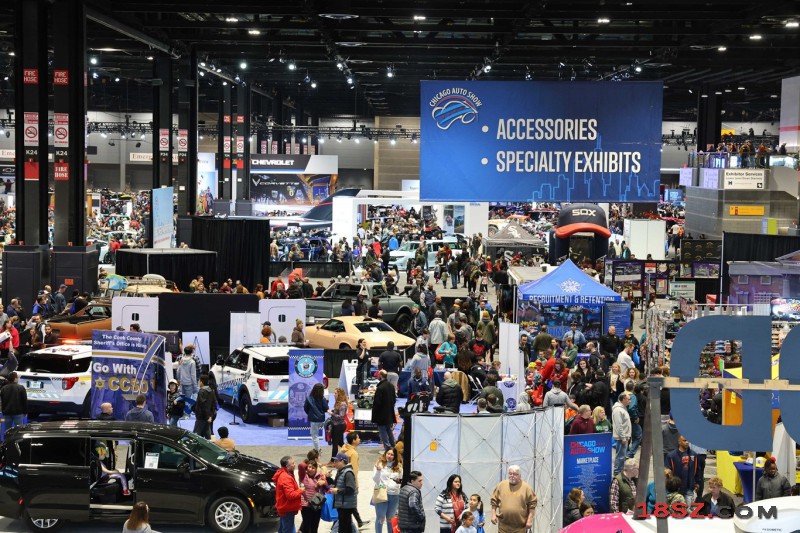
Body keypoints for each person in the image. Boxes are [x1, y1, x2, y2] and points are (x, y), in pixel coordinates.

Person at [490, 465, 537, 533]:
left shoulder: (526, 488)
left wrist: (529, 520)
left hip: (520, 527)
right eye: (510, 473)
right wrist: (493, 514)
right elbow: (494, 501)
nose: (512, 476)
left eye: (515, 474)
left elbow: (532, 505)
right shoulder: (501, 485)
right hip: (503, 526)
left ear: (520, 476)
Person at [372, 447, 403, 533]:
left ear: (395, 456)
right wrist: (378, 471)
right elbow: (375, 479)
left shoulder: (399, 466)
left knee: (390, 518)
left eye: (392, 454)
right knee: (380, 518)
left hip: (394, 495)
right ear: (385, 454)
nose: (389, 456)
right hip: (382, 493)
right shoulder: (379, 463)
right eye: (388, 454)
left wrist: (397, 482)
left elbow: (401, 480)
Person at [273, 455, 304, 533]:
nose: (294, 465)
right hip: (287, 507)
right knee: (288, 529)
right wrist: (301, 490)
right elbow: (290, 495)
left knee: (283, 527)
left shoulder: (283, 474)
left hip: (284, 506)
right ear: (287, 466)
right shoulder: (286, 478)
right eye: (293, 463)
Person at [665, 435, 699, 505]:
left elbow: (697, 470)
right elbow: (668, 471)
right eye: (684, 440)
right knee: (675, 509)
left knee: (689, 509)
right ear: (679, 442)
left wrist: (697, 482)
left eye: (688, 440)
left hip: (689, 488)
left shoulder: (694, 455)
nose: (687, 442)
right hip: (676, 489)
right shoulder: (671, 456)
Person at [331, 453, 358, 533]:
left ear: (342, 461)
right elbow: (339, 484)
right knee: (347, 528)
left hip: (346, 506)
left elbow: (350, 489)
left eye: (336, 461)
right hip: (343, 505)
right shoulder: (341, 471)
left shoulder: (348, 473)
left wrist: (337, 491)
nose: (334, 463)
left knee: (343, 529)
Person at [300, 459, 327, 533]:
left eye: (313, 468)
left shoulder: (320, 476)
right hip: (306, 505)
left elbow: (327, 488)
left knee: (314, 526)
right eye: (309, 467)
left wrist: (323, 482)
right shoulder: (303, 475)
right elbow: (300, 465)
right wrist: (307, 463)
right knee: (306, 526)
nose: (310, 469)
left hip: (317, 505)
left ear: (316, 469)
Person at [372, 370, 397, 450]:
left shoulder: (380, 388)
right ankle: (393, 446)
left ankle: (387, 448)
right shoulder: (391, 386)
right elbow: (394, 400)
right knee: (389, 430)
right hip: (389, 413)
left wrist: (375, 413)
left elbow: (377, 403)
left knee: (382, 431)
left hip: (381, 414)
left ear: (381, 376)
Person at [612, 393, 632, 476]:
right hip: (621, 437)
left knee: (622, 456)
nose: (630, 401)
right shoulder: (618, 410)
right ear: (623, 399)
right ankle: (617, 473)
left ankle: (620, 472)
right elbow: (618, 424)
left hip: (624, 436)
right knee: (620, 456)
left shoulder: (623, 408)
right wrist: (623, 437)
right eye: (628, 399)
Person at [304, 383, 328, 453]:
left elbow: (305, 408)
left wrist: (310, 414)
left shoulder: (309, 398)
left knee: (315, 436)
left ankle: (318, 450)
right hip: (321, 419)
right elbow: (326, 408)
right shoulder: (323, 399)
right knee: (316, 435)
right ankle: (318, 449)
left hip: (313, 420)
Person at [193, 374, 217, 439]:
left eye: (199, 381)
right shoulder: (211, 391)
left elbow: (203, 405)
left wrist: (207, 417)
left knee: (196, 436)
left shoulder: (201, 392)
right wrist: (210, 416)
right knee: (207, 436)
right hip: (208, 417)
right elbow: (214, 404)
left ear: (201, 382)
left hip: (201, 417)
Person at [328, 388, 348, 459]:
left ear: (339, 394)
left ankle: (332, 460)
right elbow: (338, 411)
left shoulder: (342, 404)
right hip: (337, 425)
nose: (334, 394)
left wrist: (332, 413)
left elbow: (341, 416)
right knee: (340, 442)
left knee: (335, 443)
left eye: (336, 393)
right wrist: (333, 411)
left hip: (339, 426)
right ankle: (349, 454)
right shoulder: (338, 403)